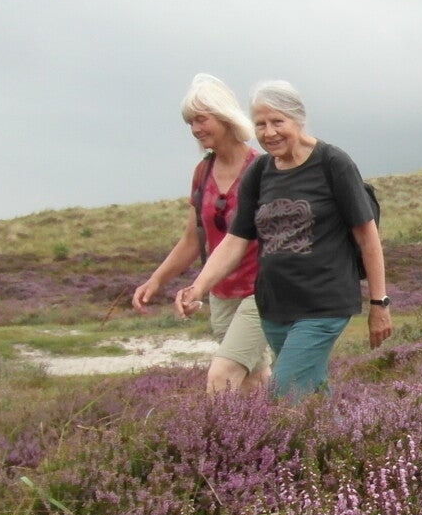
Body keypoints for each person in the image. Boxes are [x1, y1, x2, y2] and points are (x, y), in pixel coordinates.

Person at [174, 81, 392, 398]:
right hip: (274, 307)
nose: (269, 133)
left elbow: (367, 238)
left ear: (297, 119)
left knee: (285, 390)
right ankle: (344, 429)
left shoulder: (332, 163)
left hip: (324, 305)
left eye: (278, 122)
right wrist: (198, 287)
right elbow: (235, 241)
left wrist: (379, 302)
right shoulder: (259, 171)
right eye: (260, 124)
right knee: (309, 393)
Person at [132, 74, 272, 395]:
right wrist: (156, 281)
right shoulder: (202, 172)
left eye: (201, 119)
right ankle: (284, 421)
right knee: (253, 380)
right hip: (220, 292)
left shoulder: (263, 169)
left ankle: (215, 429)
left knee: (222, 375)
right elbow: (192, 240)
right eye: (190, 123)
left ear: (224, 116)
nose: (195, 129)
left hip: (263, 290)